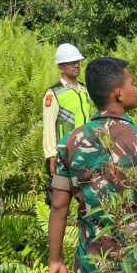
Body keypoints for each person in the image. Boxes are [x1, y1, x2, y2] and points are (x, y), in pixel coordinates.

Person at [46, 56, 137, 273]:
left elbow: (58, 207)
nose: (135, 89)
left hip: (90, 264)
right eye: (132, 84)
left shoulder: (70, 141)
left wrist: (55, 261)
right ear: (118, 93)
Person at [42, 43, 94, 204]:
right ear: (61, 68)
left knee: (87, 198)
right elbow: (49, 126)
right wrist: (51, 156)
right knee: (58, 201)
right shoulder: (54, 93)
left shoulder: (85, 90)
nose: (76, 65)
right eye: (71, 63)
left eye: (77, 61)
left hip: (86, 151)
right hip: (64, 154)